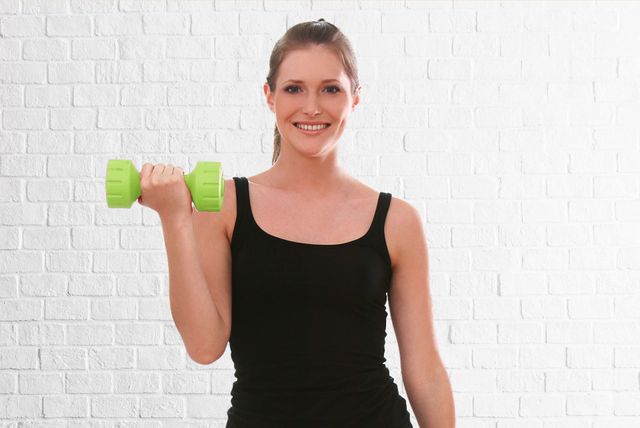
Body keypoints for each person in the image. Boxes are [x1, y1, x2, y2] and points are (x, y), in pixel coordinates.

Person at [139, 19, 455, 428]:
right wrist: (175, 218)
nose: (312, 107)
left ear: (355, 98)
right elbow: (204, 346)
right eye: (294, 88)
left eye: (330, 89)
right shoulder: (226, 207)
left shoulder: (397, 221)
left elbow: (424, 367)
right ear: (269, 97)